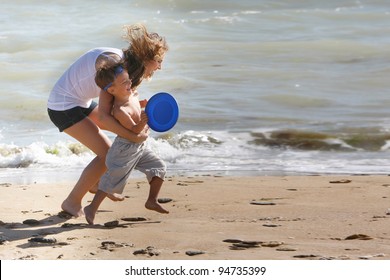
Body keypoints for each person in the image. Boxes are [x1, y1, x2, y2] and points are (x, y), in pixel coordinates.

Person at [47, 23, 168, 218]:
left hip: (79, 101)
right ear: (146, 57)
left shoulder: (123, 66)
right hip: (64, 106)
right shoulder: (114, 66)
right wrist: (132, 136)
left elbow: (118, 107)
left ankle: (95, 184)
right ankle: (72, 202)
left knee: (109, 151)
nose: (160, 66)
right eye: (158, 60)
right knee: (108, 155)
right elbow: (104, 116)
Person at [84, 63, 169, 225]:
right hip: (124, 148)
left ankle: (152, 200)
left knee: (159, 167)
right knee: (111, 180)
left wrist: (145, 105)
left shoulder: (133, 95)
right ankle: (92, 208)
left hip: (139, 147)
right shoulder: (120, 110)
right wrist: (142, 122)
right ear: (111, 90)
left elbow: (137, 106)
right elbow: (134, 130)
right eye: (125, 83)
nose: (130, 84)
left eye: (129, 80)